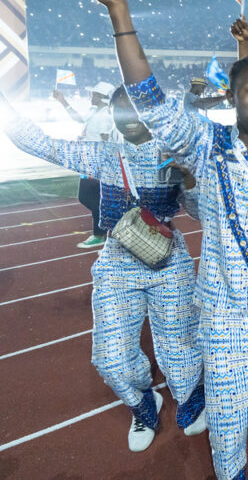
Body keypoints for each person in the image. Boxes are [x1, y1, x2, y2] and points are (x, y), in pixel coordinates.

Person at [87, 0, 248, 480]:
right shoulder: (210, 147)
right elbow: (152, 102)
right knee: (226, 423)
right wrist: (120, 13)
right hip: (226, 316)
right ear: (232, 98)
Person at [1, 86, 206, 452]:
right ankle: (143, 403)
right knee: (111, 358)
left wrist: (189, 181)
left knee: (179, 347)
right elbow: (42, 145)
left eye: (136, 109)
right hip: (117, 261)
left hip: (168, 260)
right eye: (120, 111)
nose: (129, 118)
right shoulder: (103, 155)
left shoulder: (172, 156)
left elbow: (199, 211)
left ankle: (190, 397)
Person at [53, 81, 115, 248]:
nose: (90, 96)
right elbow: (79, 119)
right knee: (93, 197)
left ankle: (100, 233)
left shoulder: (105, 116)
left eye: (93, 94)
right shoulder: (94, 111)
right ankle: (105, 228)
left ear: (101, 97)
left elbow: (106, 142)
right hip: (88, 161)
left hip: (96, 163)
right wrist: (62, 101)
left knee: (88, 196)